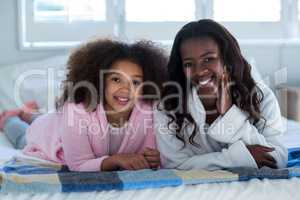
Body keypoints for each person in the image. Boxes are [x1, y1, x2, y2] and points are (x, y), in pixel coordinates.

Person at [0, 39, 167, 172]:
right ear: (100, 81)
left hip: (56, 120)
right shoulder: (76, 109)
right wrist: (115, 160)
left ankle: (29, 112)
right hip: (49, 135)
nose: (126, 89)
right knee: (23, 135)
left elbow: (148, 153)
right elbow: (78, 165)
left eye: (135, 82)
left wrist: (153, 158)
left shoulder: (148, 110)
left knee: (45, 117)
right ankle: (10, 117)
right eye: (116, 79)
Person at [155, 19, 287, 171]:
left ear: (227, 58)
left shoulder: (262, 97)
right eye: (189, 64)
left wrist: (230, 113)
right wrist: (240, 158)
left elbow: (277, 159)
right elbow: (174, 165)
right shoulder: (168, 105)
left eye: (208, 59)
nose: (199, 71)